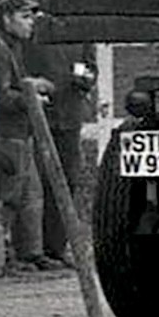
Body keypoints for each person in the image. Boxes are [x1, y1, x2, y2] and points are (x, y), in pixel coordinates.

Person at [0, 0, 61, 272]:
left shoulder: (12, 46)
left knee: (30, 193)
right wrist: (30, 98)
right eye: (24, 17)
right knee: (10, 195)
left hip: (20, 131)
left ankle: (30, 252)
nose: (31, 23)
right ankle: (2, 255)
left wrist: (33, 83)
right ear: (7, 19)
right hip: (6, 132)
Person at [26, 32, 95, 264]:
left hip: (71, 118)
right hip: (42, 117)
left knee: (68, 180)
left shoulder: (82, 38)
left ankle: (57, 247)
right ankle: (34, 248)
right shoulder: (35, 36)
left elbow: (91, 70)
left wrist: (85, 79)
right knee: (40, 182)